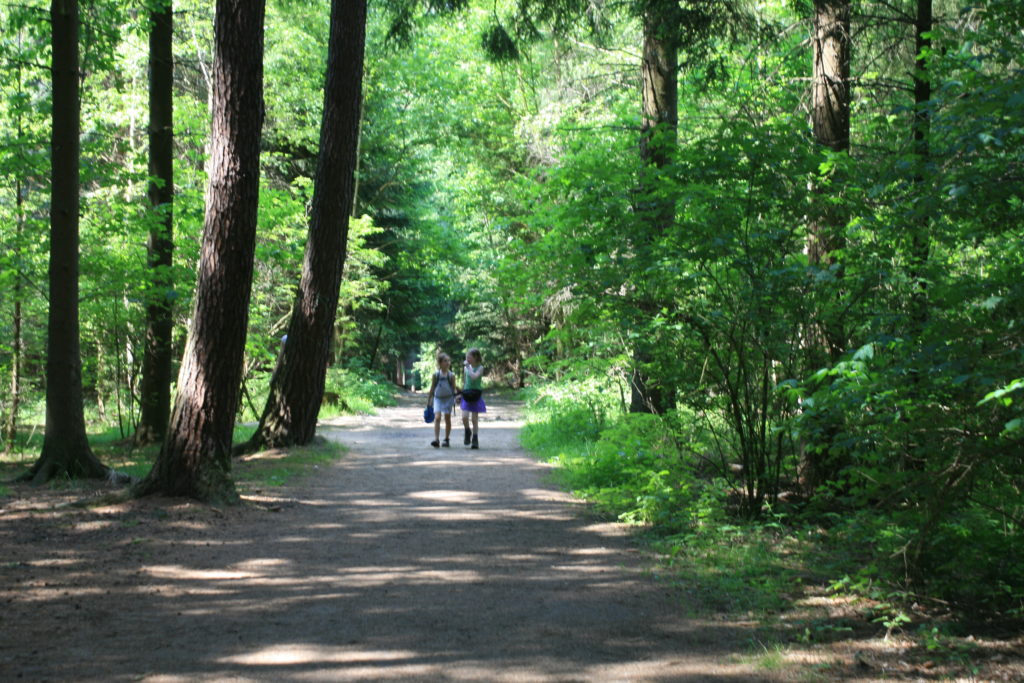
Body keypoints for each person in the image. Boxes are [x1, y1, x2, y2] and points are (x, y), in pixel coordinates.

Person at [426, 352, 457, 447]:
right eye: (445, 361)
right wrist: (429, 400)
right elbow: (432, 388)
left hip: (448, 399)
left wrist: (456, 398)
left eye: (448, 361)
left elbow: (454, 389)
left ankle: (446, 439)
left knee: (447, 418)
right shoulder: (436, 375)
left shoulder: (451, 375)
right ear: (440, 363)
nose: (447, 363)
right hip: (438, 399)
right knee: (437, 417)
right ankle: (436, 439)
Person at [460, 348, 486, 449]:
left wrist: (468, 367)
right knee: (464, 417)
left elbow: (474, 377)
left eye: (469, 357)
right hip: (466, 394)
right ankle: (467, 431)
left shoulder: (480, 368)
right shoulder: (466, 368)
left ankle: (475, 439)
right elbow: (466, 381)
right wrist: (460, 394)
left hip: (475, 394)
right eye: (467, 357)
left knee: (474, 419)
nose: (467, 358)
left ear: (475, 357)